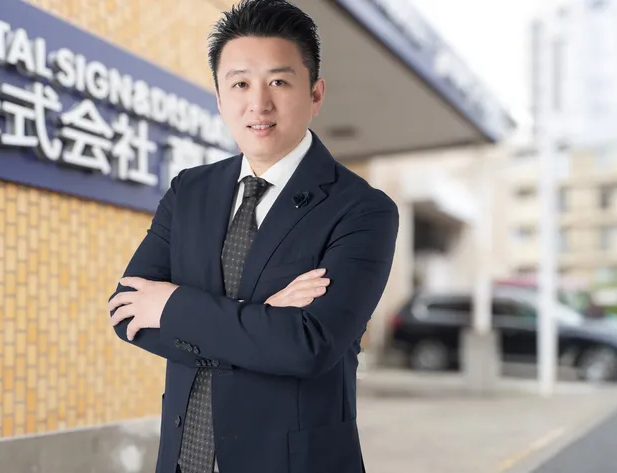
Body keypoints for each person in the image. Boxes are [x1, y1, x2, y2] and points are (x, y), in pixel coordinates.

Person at [107, 1, 398, 472]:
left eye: (278, 82)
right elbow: (126, 312)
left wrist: (174, 307)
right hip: (184, 460)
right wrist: (261, 316)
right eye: (240, 84)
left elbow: (309, 346)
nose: (258, 104)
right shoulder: (189, 191)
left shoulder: (362, 209)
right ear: (220, 99)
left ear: (315, 93)